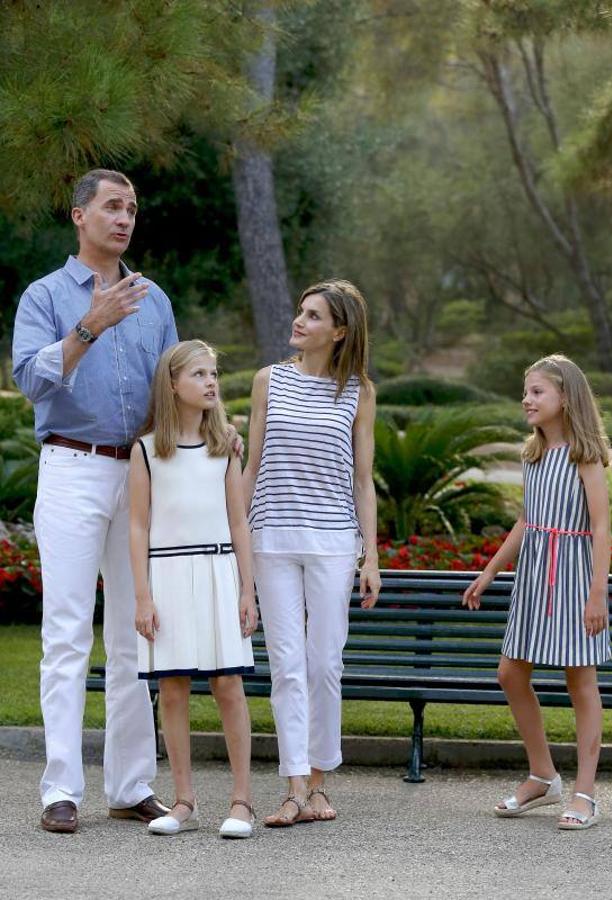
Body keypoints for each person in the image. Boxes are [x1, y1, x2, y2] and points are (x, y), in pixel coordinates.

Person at [12, 169, 177, 833]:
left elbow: (170, 389)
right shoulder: (45, 296)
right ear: (79, 215)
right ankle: (61, 789)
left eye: (132, 207)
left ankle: (131, 783)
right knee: (67, 631)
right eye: (112, 206)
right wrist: (89, 326)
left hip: (136, 471)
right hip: (72, 468)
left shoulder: (154, 299)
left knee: (138, 631)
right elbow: (27, 378)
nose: (124, 217)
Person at [242, 279, 381, 826]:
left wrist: (370, 556)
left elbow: (363, 480)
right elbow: (252, 467)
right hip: (271, 538)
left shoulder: (359, 392)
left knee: (324, 663)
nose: (299, 322)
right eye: (301, 312)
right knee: (286, 666)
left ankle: (320, 782)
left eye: (313, 315)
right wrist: (239, 544)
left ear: (339, 330)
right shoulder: (267, 381)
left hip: (332, 542)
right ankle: (295, 787)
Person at [463, 354, 611, 831]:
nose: (526, 400)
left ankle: (585, 793)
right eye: (525, 392)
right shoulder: (533, 455)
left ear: (565, 397)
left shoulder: (583, 456)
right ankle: (543, 776)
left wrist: (597, 595)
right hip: (533, 578)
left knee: (579, 682)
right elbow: (526, 522)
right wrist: (489, 572)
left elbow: (603, 527)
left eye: (537, 392)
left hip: (574, 577)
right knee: (509, 673)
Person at [130, 340, 257, 838]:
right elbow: (138, 527)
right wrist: (143, 596)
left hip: (218, 573)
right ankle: (183, 800)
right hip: (167, 577)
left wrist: (247, 591)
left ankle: (241, 801)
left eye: (213, 374)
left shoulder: (223, 446)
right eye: (199, 374)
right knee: (173, 687)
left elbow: (239, 523)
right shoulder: (145, 451)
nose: (211, 383)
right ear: (172, 384)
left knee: (228, 684)